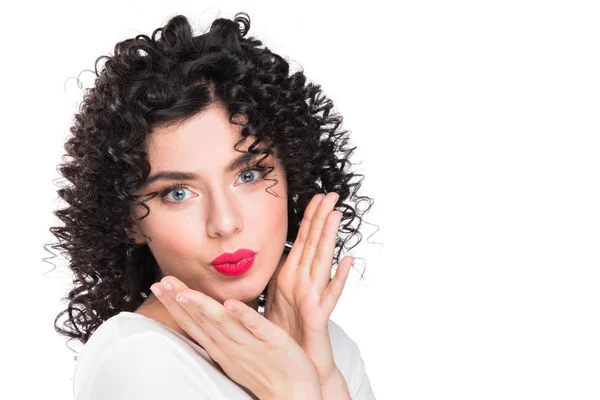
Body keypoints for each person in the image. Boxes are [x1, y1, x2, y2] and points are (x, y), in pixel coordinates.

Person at [49, 11, 376, 399]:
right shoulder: (138, 359)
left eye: (249, 176)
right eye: (178, 193)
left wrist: (320, 370)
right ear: (129, 218)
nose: (224, 222)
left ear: (294, 176)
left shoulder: (329, 346)